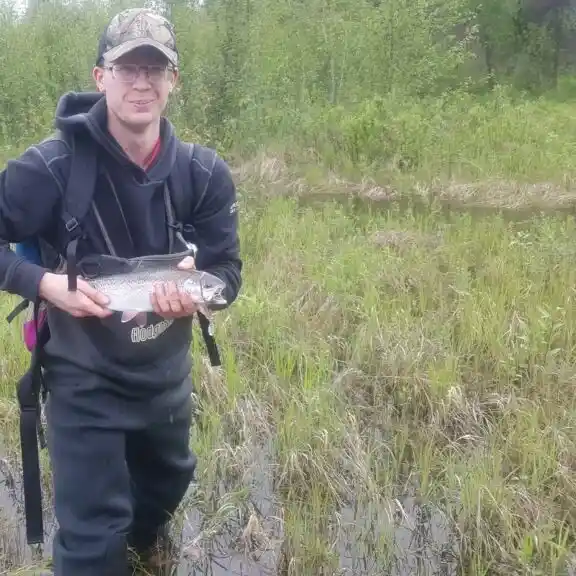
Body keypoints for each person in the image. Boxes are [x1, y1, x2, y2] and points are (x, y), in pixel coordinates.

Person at [0, 7, 242, 576]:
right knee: (92, 543)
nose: (141, 82)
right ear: (99, 76)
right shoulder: (50, 168)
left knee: (163, 489)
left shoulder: (203, 174)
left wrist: (204, 291)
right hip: (82, 381)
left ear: (174, 81)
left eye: (155, 69)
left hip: (163, 377)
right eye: (126, 67)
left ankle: (142, 539)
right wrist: (43, 283)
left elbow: (227, 276)